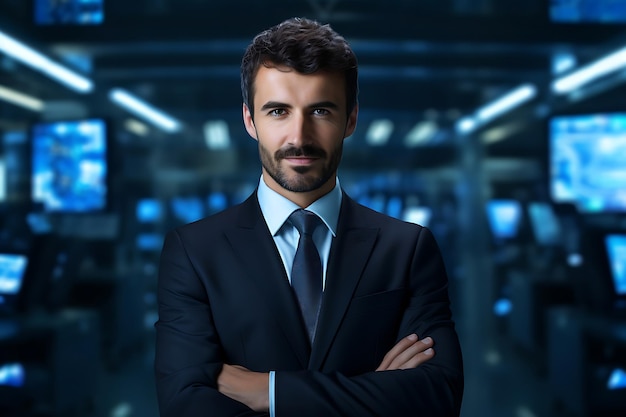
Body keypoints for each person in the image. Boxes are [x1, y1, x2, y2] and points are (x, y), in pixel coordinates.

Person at [154, 17, 464, 417]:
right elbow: (185, 405)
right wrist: (376, 394)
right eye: (278, 111)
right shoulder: (194, 251)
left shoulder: (407, 249)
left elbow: (437, 396)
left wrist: (270, 391)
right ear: (251, 121)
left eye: (320, 110)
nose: (299, 137)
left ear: (350, 120)